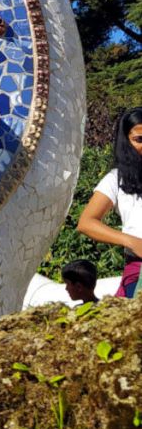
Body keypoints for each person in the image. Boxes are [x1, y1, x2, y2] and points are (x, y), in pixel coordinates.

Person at [77, 107, 142, 299]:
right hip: (138, 269)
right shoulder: (117, 179)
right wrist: (131, 240)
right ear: (126, 142)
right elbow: (86, 222)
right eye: (139, 139)